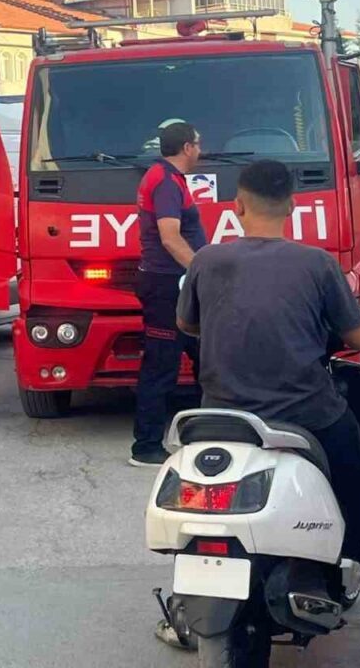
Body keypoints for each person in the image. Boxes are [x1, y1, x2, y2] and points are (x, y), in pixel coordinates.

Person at [176, 160, 360, 665]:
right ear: (293, 206)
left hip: (221, 418)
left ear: (236, 207)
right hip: (306, 416)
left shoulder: (206, 261)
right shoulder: (317, 264)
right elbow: (353, 335)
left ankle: (184, 606)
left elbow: (189, 326)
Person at [130, 121, 207, 467]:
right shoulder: (165, 182)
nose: (200, 151)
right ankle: (145, 447)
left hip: (174, 284)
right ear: (187, 147)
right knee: (161, 365)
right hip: (167, 286)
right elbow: (170, 237)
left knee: (209, 358)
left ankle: (209, 433)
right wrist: (202, 270)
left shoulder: (168, 179)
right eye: (198, 144)